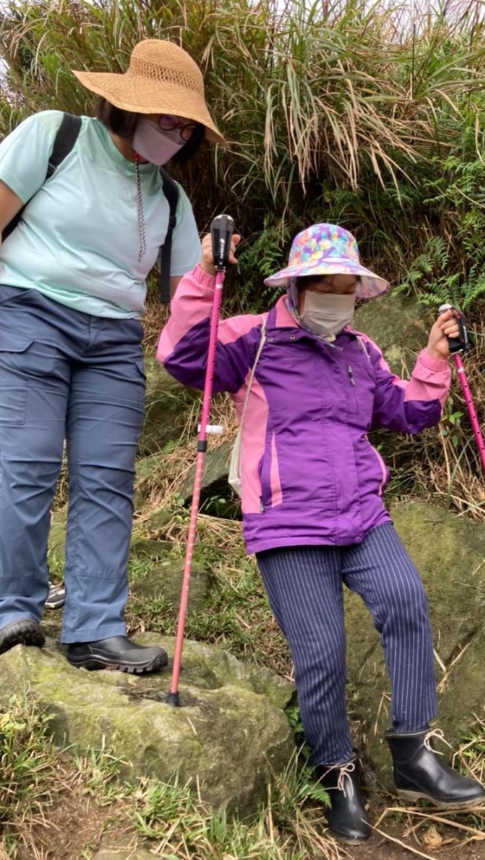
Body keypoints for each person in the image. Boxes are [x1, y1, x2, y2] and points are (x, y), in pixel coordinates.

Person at [157, 223, 485, 841]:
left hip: (361, 512)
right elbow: (179, 358)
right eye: (328, 287)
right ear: (298, 287)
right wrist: (203, 276)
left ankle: (413, 754)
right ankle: (336, 772)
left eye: (348, 289)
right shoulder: (250, 340)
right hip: (286, 519)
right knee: (322, 653)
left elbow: (407, 412)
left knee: (406, 602)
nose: (339, 299)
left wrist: (434, 360)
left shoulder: (361, 352)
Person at [0, 39, 225, 674]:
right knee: (26, 465)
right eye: (167, 118)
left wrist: (212, 269)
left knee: (106, 481)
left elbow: (186, 303)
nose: (177, 133)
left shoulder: (172, 199)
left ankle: (95, 625)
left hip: (114, 339)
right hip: (27, 313)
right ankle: (12, 607)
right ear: (128, 105)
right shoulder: (54, 137)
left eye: (185, 126)